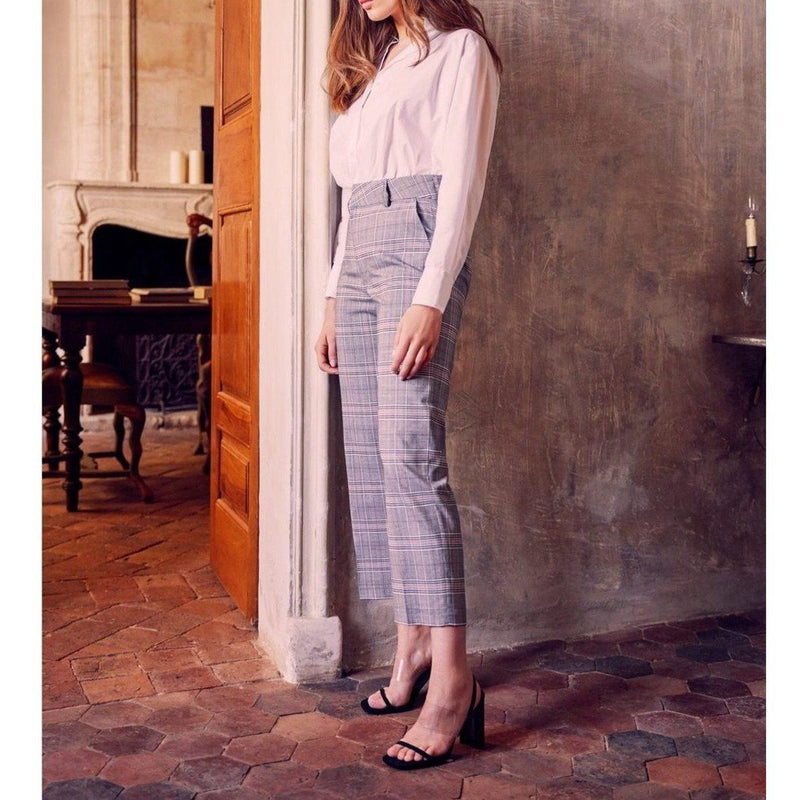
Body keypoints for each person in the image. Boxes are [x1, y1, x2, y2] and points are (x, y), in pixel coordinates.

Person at [314, 0, 502, 771]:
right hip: (360, 256)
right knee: (372, 458)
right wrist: (333, 293)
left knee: (410, 455)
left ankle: (453, 684)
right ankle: (412, 646)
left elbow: (462, 184)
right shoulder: (375, 66)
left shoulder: (462, 53)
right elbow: (352, 201)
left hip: (415, 252)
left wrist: (431, 295)